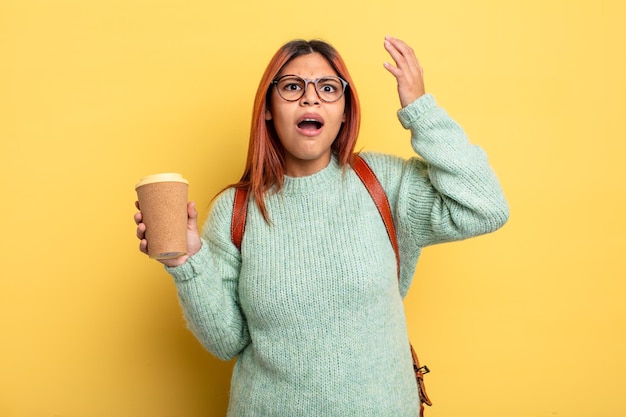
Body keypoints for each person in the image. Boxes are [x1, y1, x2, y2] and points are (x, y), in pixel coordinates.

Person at [134, 36, 509, 417]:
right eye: (293, 86)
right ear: (268, 108)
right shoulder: (237, 209)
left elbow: (486, 207)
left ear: (345, 111)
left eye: (328, 88)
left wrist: (420, 109)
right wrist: (187, 262)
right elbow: (227, 342)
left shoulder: (385, 184)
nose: (310, 99)